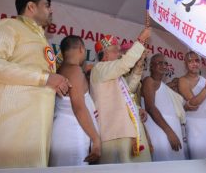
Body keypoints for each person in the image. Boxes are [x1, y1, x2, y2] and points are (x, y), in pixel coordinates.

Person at [0, 0, 71, 168]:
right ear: (31, 6)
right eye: (47, 5)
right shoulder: (8, 26)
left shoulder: (42, 40)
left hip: (39, 128)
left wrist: (56, 80)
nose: (51, 10)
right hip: (13, 126)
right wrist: (44, 78)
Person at [90, 28, 150, 164]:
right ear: (105, 54)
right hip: (115, 133)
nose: (119, 54)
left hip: (127, 130)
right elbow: (124, 64)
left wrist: (139, 65)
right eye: (116, 51)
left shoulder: (111, 72)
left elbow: (130, 90)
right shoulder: (99, 69)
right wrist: (140, 41)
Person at [49, 36, 100, 166]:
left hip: (62, 131)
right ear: (81, 49)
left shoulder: (60, 69)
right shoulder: (75, 70)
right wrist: (95, 139)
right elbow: (78, 107)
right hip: (73, 133)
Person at [142, 53, 186, 161]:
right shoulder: (149, 81)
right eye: (159, 63)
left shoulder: (163, 86)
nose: (164, 65)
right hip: (161, 133)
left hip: (172, 132)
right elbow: (151, 108)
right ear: (151, 66)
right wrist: (170, 133)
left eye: (165, 63)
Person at [178, 51, 206, 159]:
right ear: (185, 64)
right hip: (194, 125)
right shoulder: (183, 80)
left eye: (197, 60)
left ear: (201, 63)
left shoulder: (205, 80)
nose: (194, 63)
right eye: (190, 61)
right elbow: (194, 103)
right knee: (199, 159)